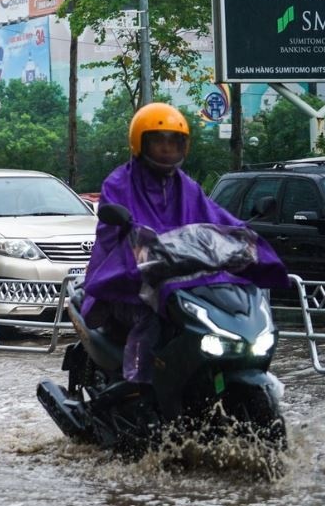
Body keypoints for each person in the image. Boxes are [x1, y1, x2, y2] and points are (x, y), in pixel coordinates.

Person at [81, 102, 288, 387]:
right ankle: (137, 384)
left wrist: (242, 234)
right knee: (150, 321)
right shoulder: (118, 183)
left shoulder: (187, 185)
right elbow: (111, 233)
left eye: (174, 142)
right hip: (131, 281)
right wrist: (134, 242)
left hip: (181, 275)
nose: (167, 149)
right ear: (140, 143)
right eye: (158, 142)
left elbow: (215, 217)